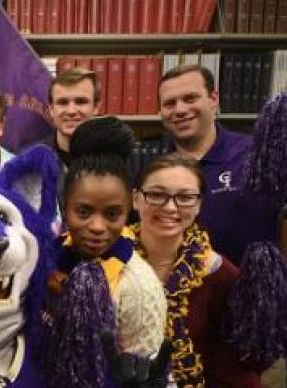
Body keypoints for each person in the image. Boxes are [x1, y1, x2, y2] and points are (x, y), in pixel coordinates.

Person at [44, 117, 168, 387]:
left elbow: (143, 369)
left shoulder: (138, 287)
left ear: (129, 210)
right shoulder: (45, 262)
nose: (97, 227)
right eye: (84, 212)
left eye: (112, 214)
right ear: (65, 208)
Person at [131, 152, 264, 387]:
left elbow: (243, 364)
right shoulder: (108, 262)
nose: (170, 207)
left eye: (185, 197)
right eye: (156, 194)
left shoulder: (220, 275)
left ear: (199, 204)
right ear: (136, 199)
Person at [158, 64, 279, 266]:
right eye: (170, 103)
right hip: (182, 293)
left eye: (190, 99)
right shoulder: (155, 173)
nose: (180, 110)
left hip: (252, 290)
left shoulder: (257, 156)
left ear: (213, 99)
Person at [45, 67, 101, 170]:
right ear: (51, 109)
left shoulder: (120, 161)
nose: (71, 111)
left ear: (96, 107)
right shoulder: (28, 161)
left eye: (81, 101)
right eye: (62, 102)